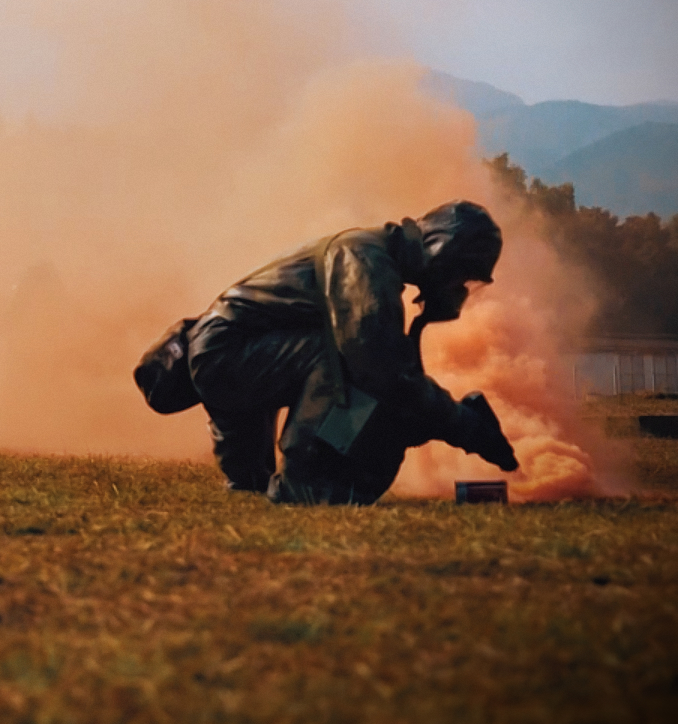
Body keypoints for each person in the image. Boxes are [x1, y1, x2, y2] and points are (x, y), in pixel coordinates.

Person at [134, 200, 520, 505]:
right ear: (443, 251)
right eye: (462, 275)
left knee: (251, 486)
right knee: (346, 361)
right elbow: (378, 370)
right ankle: (307, 478)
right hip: (227, 355)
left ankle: (264, 477)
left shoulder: (371, 254)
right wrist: (462, 425)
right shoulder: (366, 259)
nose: (460, 288)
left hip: (227, 358)